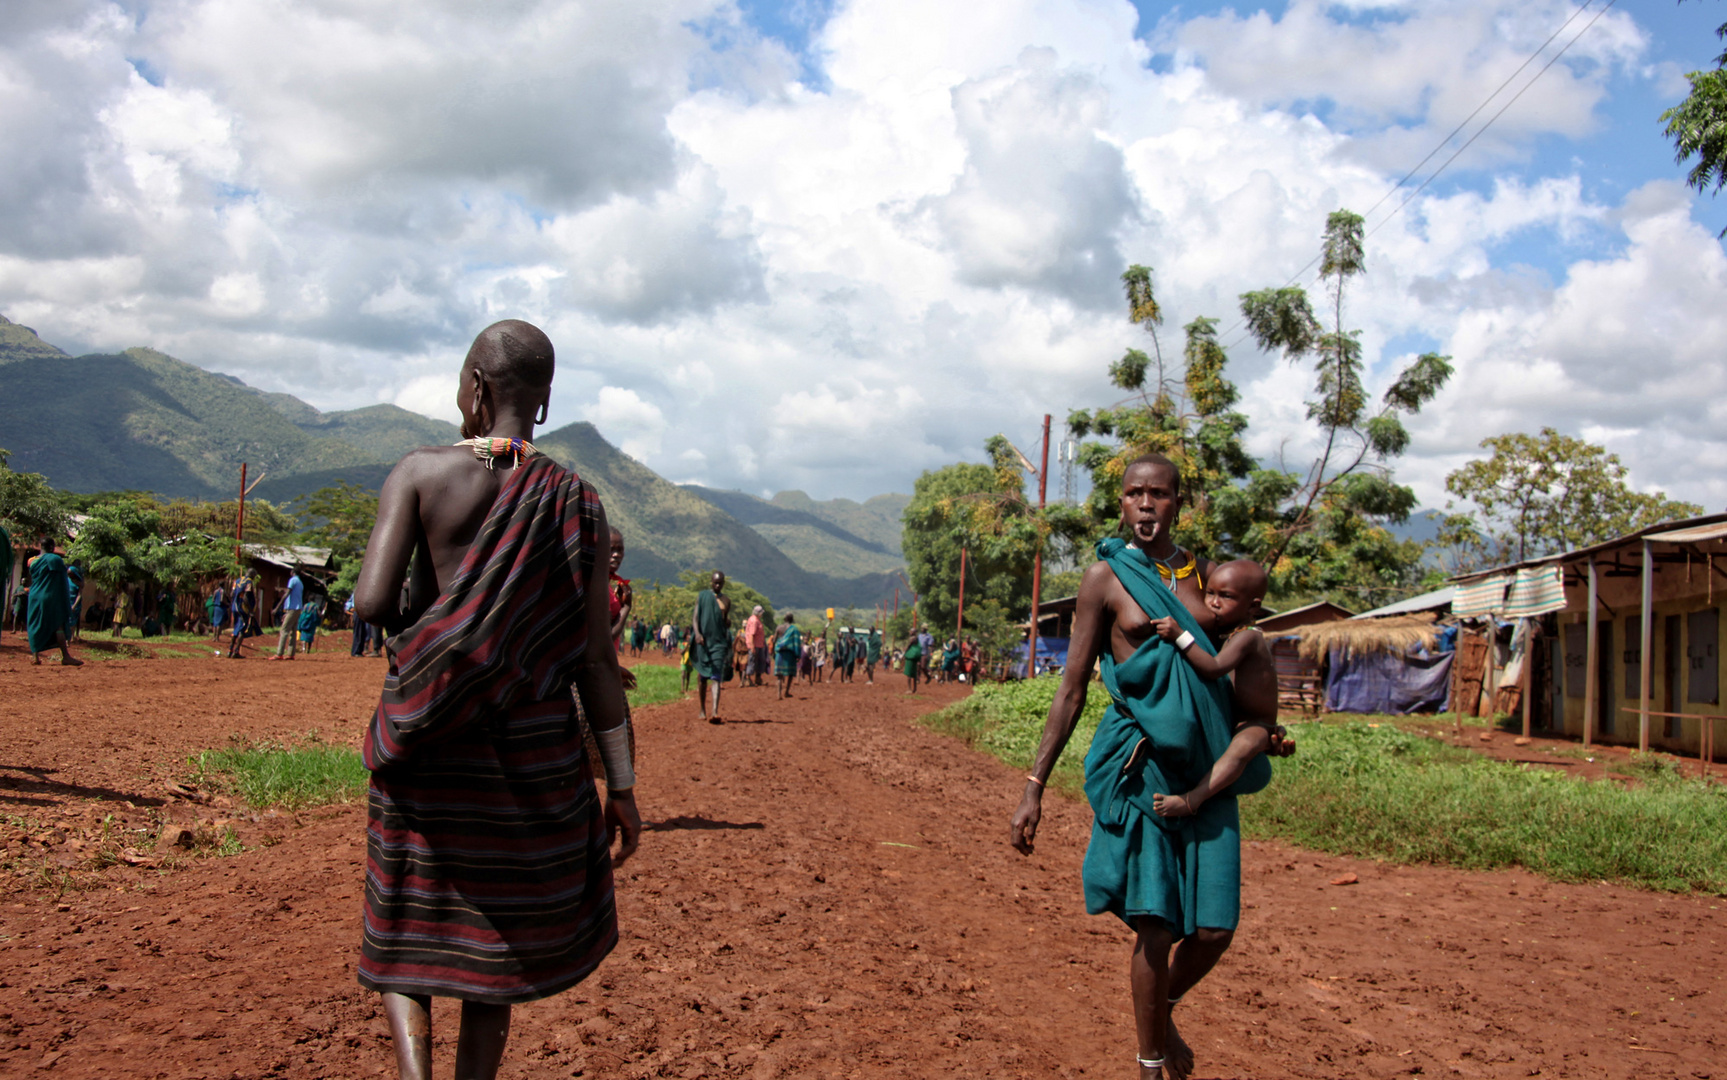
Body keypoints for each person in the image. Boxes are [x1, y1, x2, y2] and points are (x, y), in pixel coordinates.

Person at [352, 318, 639, 1080]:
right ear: (544, 402)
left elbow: (372, 601)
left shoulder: (419, 473)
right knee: (493, 941)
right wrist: (624, 784)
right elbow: (596, 660)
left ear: (474, 387)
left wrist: (440, 641)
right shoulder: (579, 502)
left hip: (429, 741)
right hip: (529, 757)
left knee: (410, 923)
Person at [1009, 454, 1282, 1080]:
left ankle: (1164, 1009)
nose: (1146, 504)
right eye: (1135, 493)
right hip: (1144, 770)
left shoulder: (1212, 579)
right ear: (1122, 502)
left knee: (1214, 929)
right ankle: (1150, 1062)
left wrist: (1266, 729)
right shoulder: (1105, 580)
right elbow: (1072, 688)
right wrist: (1034, 786)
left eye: (1159, 493)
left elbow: (1242, 667)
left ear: (1179, 502)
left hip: (1210, 774)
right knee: (1156, 926)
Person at [1148, 559, 1291, 819]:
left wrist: (1179, 635)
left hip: (1256, 724)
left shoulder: (1248, 636)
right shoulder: (1229, 635)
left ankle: (1193, 799)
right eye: (1210, 593)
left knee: (1238, 753)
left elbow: (1214, 667)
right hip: (1235, 719)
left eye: (1226, 596)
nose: (1213, 602)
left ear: (1253, 606)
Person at [25, 539, 81, 666]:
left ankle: (35, 657)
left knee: (35, 624)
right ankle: (65, 656)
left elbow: (33, 579)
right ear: (52, 547)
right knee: (58, 624)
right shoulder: (54, 560)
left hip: (34, 596)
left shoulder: (33, 561)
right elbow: (62, 578)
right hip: (49, 596)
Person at [691, 571, 731, 723]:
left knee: (716, 676)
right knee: (703, 676)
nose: (717, 585)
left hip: (719, 642)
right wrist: (697, 634)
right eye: (715, 582)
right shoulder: (702, 597)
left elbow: (724, 620)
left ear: (723, 583)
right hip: (704, 641)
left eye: (720, 583)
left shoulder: (726, 601)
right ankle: (702, 708)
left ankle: (714, 711)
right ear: (710, 582)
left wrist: (728, 623)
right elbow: (695, 618)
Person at [271, 567, 305, 660]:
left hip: (292, 609)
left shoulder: (292, 580)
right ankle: (291, 654)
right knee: (293, 632)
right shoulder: (300, 582)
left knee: (284, 630)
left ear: (292, 572)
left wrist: (277, 607)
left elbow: (287, 594)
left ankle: (279, 653)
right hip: (297, 609)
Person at [608, 530, 633, 653]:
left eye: (620, 550)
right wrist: (626, 607)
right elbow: (606, 639)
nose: (616, 554)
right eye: (611, 549)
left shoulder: (606, 586)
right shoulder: (597, 587)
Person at [773, 613, 801, 700]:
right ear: (792, 620)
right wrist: (798, 654)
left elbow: (774, 640)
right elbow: (797, 642)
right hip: (790, 654)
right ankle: (786, 692)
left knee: (779, 675)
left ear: (784, 619)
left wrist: (774, 650)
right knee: (790, 674)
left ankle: (779, 694)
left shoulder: (779, 628)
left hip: (780, 653)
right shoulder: (794, 629)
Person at [228, 577, 255, 658]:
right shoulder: (249, 581)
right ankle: (236, 652)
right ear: (253, 574)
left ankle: (230, 650)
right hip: (242, 609)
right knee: (242, 629)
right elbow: (246, 597)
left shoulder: (236, 581)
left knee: (236, 628)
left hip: (234, 607)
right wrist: (250, 610)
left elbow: (231, 594)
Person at [741, 604, 767, 686]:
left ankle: (758, 679)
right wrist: (752, 647)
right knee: (752, 661)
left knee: (759, 661)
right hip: (755, 645)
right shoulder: (754, 621)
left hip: (759, 644)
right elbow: (751, 634)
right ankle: (748, 680)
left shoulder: (755, 619)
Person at [65, 565, 84, 642]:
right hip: (66, 603)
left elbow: (79, 595)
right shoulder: (66, 580)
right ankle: (66, 638)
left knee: (72, 622)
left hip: (74, 604)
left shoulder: (79, 583)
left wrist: (74, 606)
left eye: (70, 573)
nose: (69, 575)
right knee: (65, 621)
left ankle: (70, 637)